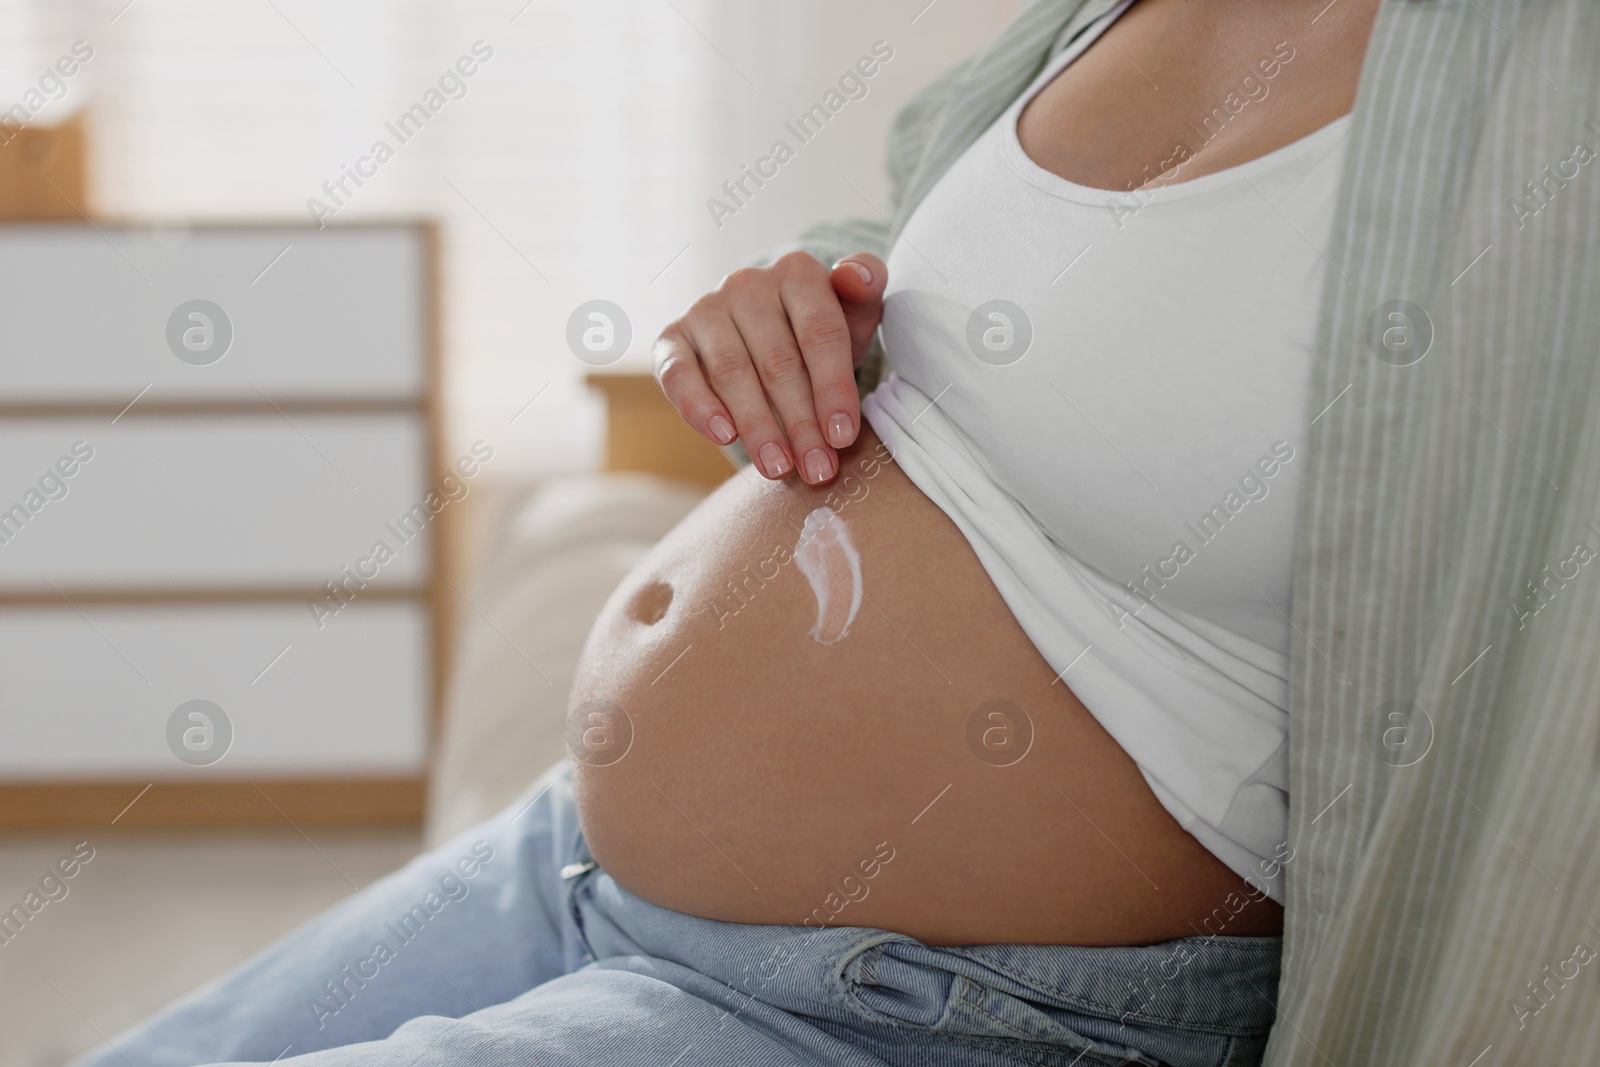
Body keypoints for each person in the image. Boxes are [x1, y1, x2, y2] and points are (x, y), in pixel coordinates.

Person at [73, 0, 1600, 1064]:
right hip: (570, 862)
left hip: (912, 1007)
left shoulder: (1549, 102)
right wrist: (791, 305)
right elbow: (963, 276)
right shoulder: (1108, 11)